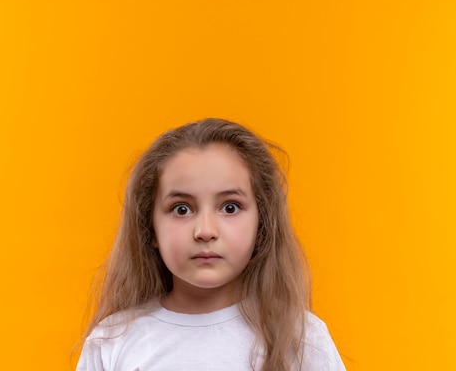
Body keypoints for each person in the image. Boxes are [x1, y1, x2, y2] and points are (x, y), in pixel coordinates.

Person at [76, 118, 345, 371]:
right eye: (182, 209)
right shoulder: (112, 342)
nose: (205, 231)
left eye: (230, 207)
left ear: (262, 226)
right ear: (150, 228)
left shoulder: (301, 338)